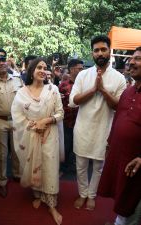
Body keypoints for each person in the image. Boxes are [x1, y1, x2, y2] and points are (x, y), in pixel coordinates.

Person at [69, 35, 126, 210]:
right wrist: (94, 89)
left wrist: (103, 90)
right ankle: (83, 194)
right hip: (83, 128)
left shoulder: (119, 78)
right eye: (96, 50)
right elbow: (73, 101)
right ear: (92, 53)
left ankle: (92, 195)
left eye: (103, 49)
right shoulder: (83, 75)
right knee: (81, 166)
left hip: (104, 129)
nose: (100, 53)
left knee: (98, 166)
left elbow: (118, 106)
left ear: (110, 51)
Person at [11, 57, 64, 225]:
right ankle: (38, 195)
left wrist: (45, 121)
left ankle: (51, 204)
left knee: (49, 166)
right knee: (34, 163)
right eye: (38, 67)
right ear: (32, 71)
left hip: (50, 134)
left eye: (44, 67)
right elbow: (17, 115)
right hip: (31, 134)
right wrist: (33, 125)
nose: (42, 70)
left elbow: (60, 113)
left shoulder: (52, 89)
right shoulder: (22, 92)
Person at [98, 46, 141, 225]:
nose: (131, 62)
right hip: (120, 156)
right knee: (121, 196)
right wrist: (109, 144)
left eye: (138, 59)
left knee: (133, 203)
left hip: (136, 164)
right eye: (132, 58)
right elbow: (118, 120)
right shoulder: (128, 91)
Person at [0, 48, 22, 197]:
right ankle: (2, 181)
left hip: (16, 121)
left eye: (3, 59)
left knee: (17, 151)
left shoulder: (17, 79)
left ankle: (17, 174)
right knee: (2, 154)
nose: (1, 63)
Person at [59, 59, 84, 173]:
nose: (82, 70)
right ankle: (63, 168)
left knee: (78, 146)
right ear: (72, 69)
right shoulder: (63, 86)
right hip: (66, 122)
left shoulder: (85, 85)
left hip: (81, 122)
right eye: (80, 68)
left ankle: (75, 166)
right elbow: (58, 103)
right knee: (66, 145)